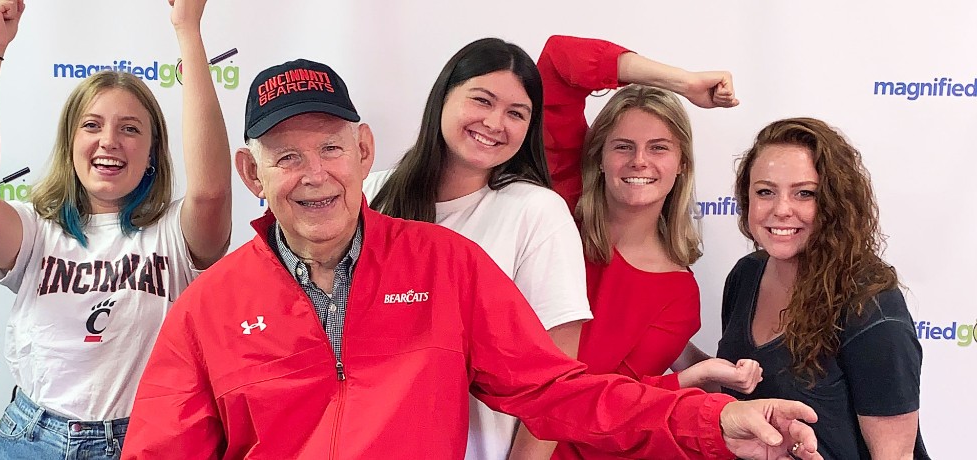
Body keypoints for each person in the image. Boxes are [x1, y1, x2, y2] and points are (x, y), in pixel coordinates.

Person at [119, 58, 824, 460]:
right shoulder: (207, 306)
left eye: (332, 148)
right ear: (252, 173)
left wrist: (711, 421)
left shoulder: (444, 265)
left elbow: (557, 392)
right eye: (288, 157)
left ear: (364, 152)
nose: (314, 173)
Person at [0, 0, 232, 457]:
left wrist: (188, 30)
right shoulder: (36, 231)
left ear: (153, 153)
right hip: (31, 438)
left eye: (130, 129)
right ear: (70, 143)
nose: (109, 140)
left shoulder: (174, 234)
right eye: (92, 125)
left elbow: (213, 193)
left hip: (142, 438)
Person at [538, 34, 765, 459]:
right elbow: (556, 61)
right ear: (599, 157)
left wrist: (696, 377)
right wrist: (682, 83)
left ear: (681, 164)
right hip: (473, 428)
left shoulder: (677, 294)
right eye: (623, 146)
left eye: (658, 147)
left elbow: (614, 408)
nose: (639, 161)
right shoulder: (560, 201)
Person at [364, 38, 592, 460]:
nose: (494, 122)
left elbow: (557, 386)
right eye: (482, 100)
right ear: (443, 97)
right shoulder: (371, 192)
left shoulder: (536, 212)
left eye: (516, 113)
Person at [716, 117, 930, 459]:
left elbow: (895, 455)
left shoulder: (870, 305)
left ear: (834, 202)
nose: (781, 209)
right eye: (765, 192)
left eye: (804, 193)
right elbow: (736, 392)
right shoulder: (746, 274)